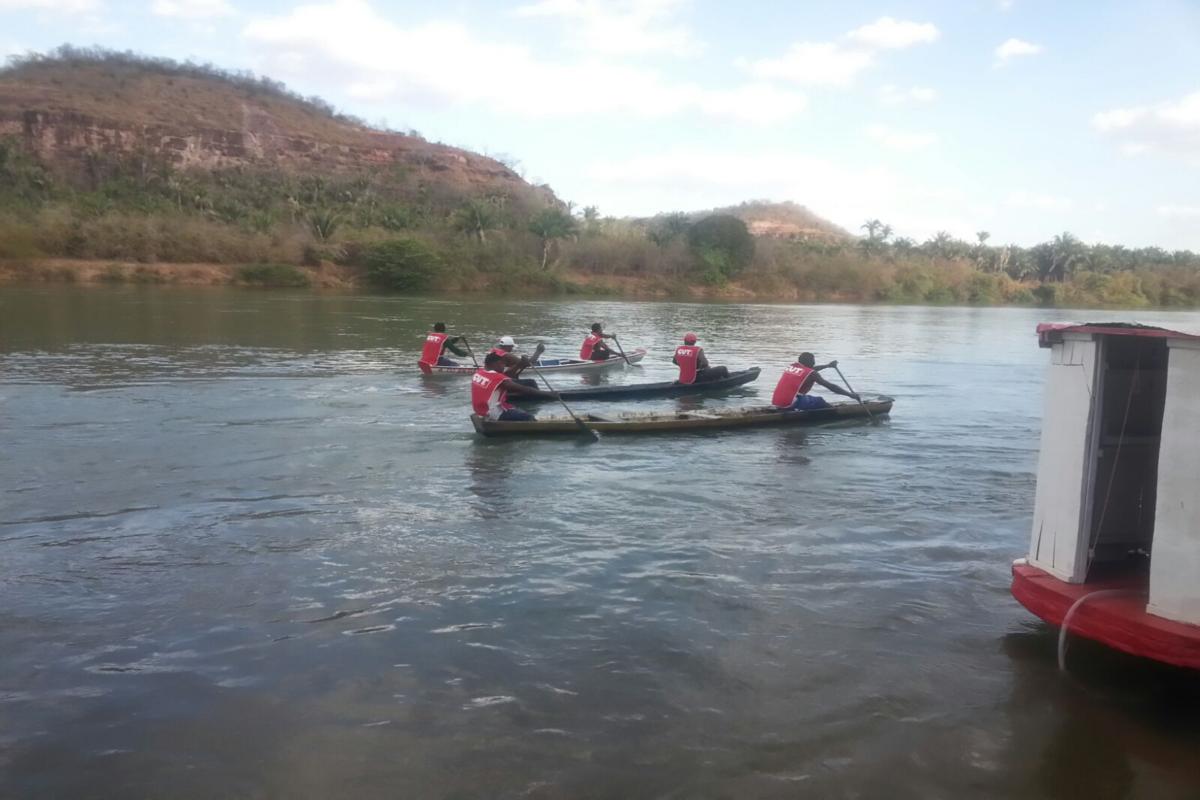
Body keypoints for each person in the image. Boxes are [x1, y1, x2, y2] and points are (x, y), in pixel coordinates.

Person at [471, 352, 558, 421]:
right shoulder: (498, 378)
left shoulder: (479, 372)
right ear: (496, 364)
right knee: (528, 417)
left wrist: (521, 363)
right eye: (502, 364)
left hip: (480, 410)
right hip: (493, 413)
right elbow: (524, 389)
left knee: (516, 409)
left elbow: (508, 376)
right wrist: (548, 394)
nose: (504, 366)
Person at [770, 352, 860, 410]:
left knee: (809, 399)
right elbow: (831, 386)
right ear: (809, 362)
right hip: (789, 403)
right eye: (813, 361)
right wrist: (850, 395)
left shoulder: (792, 366)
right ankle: (832, 413)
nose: (814, 363)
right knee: (820, 401)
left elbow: (811, 369)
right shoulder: (812, 374)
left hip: (777, 402)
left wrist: (827, 366)